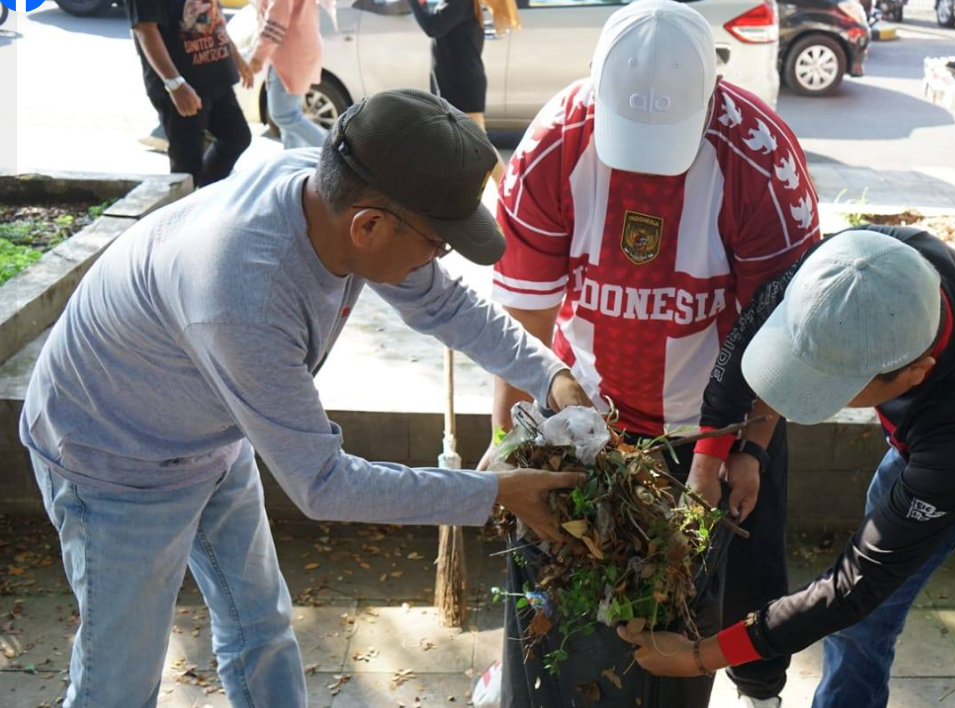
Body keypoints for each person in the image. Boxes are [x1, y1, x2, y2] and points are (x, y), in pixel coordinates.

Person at [20, 89, 594, 708]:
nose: (438, 260)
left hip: (211, 425)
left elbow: (443, 302)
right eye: (438, 243)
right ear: (369, 225)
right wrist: (496, 493)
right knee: (118, 686)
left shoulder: (324, 186)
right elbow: (324, 485)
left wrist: (549, 374)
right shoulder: (247, 297)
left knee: (259, 626)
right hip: (112, 458)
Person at [620, 226, 955, 708]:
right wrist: (720, 460)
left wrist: (698, 656)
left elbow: (854, 585)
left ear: (914, 372)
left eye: (833, 385)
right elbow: (760, 329)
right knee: (856, 638)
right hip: (927, 458)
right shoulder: (858, 266)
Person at [489, 1, 821, 705]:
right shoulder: (553, 147)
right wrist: (512, 452)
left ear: (711, 97)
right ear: (594, 89)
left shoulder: (761, 161)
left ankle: (759, 688)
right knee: (561, 587)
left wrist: (742, 447)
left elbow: (783, 336)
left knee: (738, 578)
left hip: (721, 407)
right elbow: (518, 326)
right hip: (587, 414)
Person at [129, 0, 254, 187]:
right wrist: (175, 83)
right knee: (187, 165)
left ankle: (205, 194)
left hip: (216, 74)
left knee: (237, 137)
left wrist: (236, 57)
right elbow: (145, 29)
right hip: (184, 83)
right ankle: (186, 209)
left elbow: (215, 16)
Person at [404, 0, 514, 184]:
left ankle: (509, 189)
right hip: (452, 83)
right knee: (452, 143)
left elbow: (433, 27)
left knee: (478, 145)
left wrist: (415, 3)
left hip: (463, 85)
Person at [248, 0, 332, 149]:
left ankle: (334, 150)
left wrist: (257, 57)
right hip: (295, 51)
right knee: (290, 122)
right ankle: (295, 163)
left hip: (290, 55)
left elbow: (276, 20)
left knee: (284, 115)